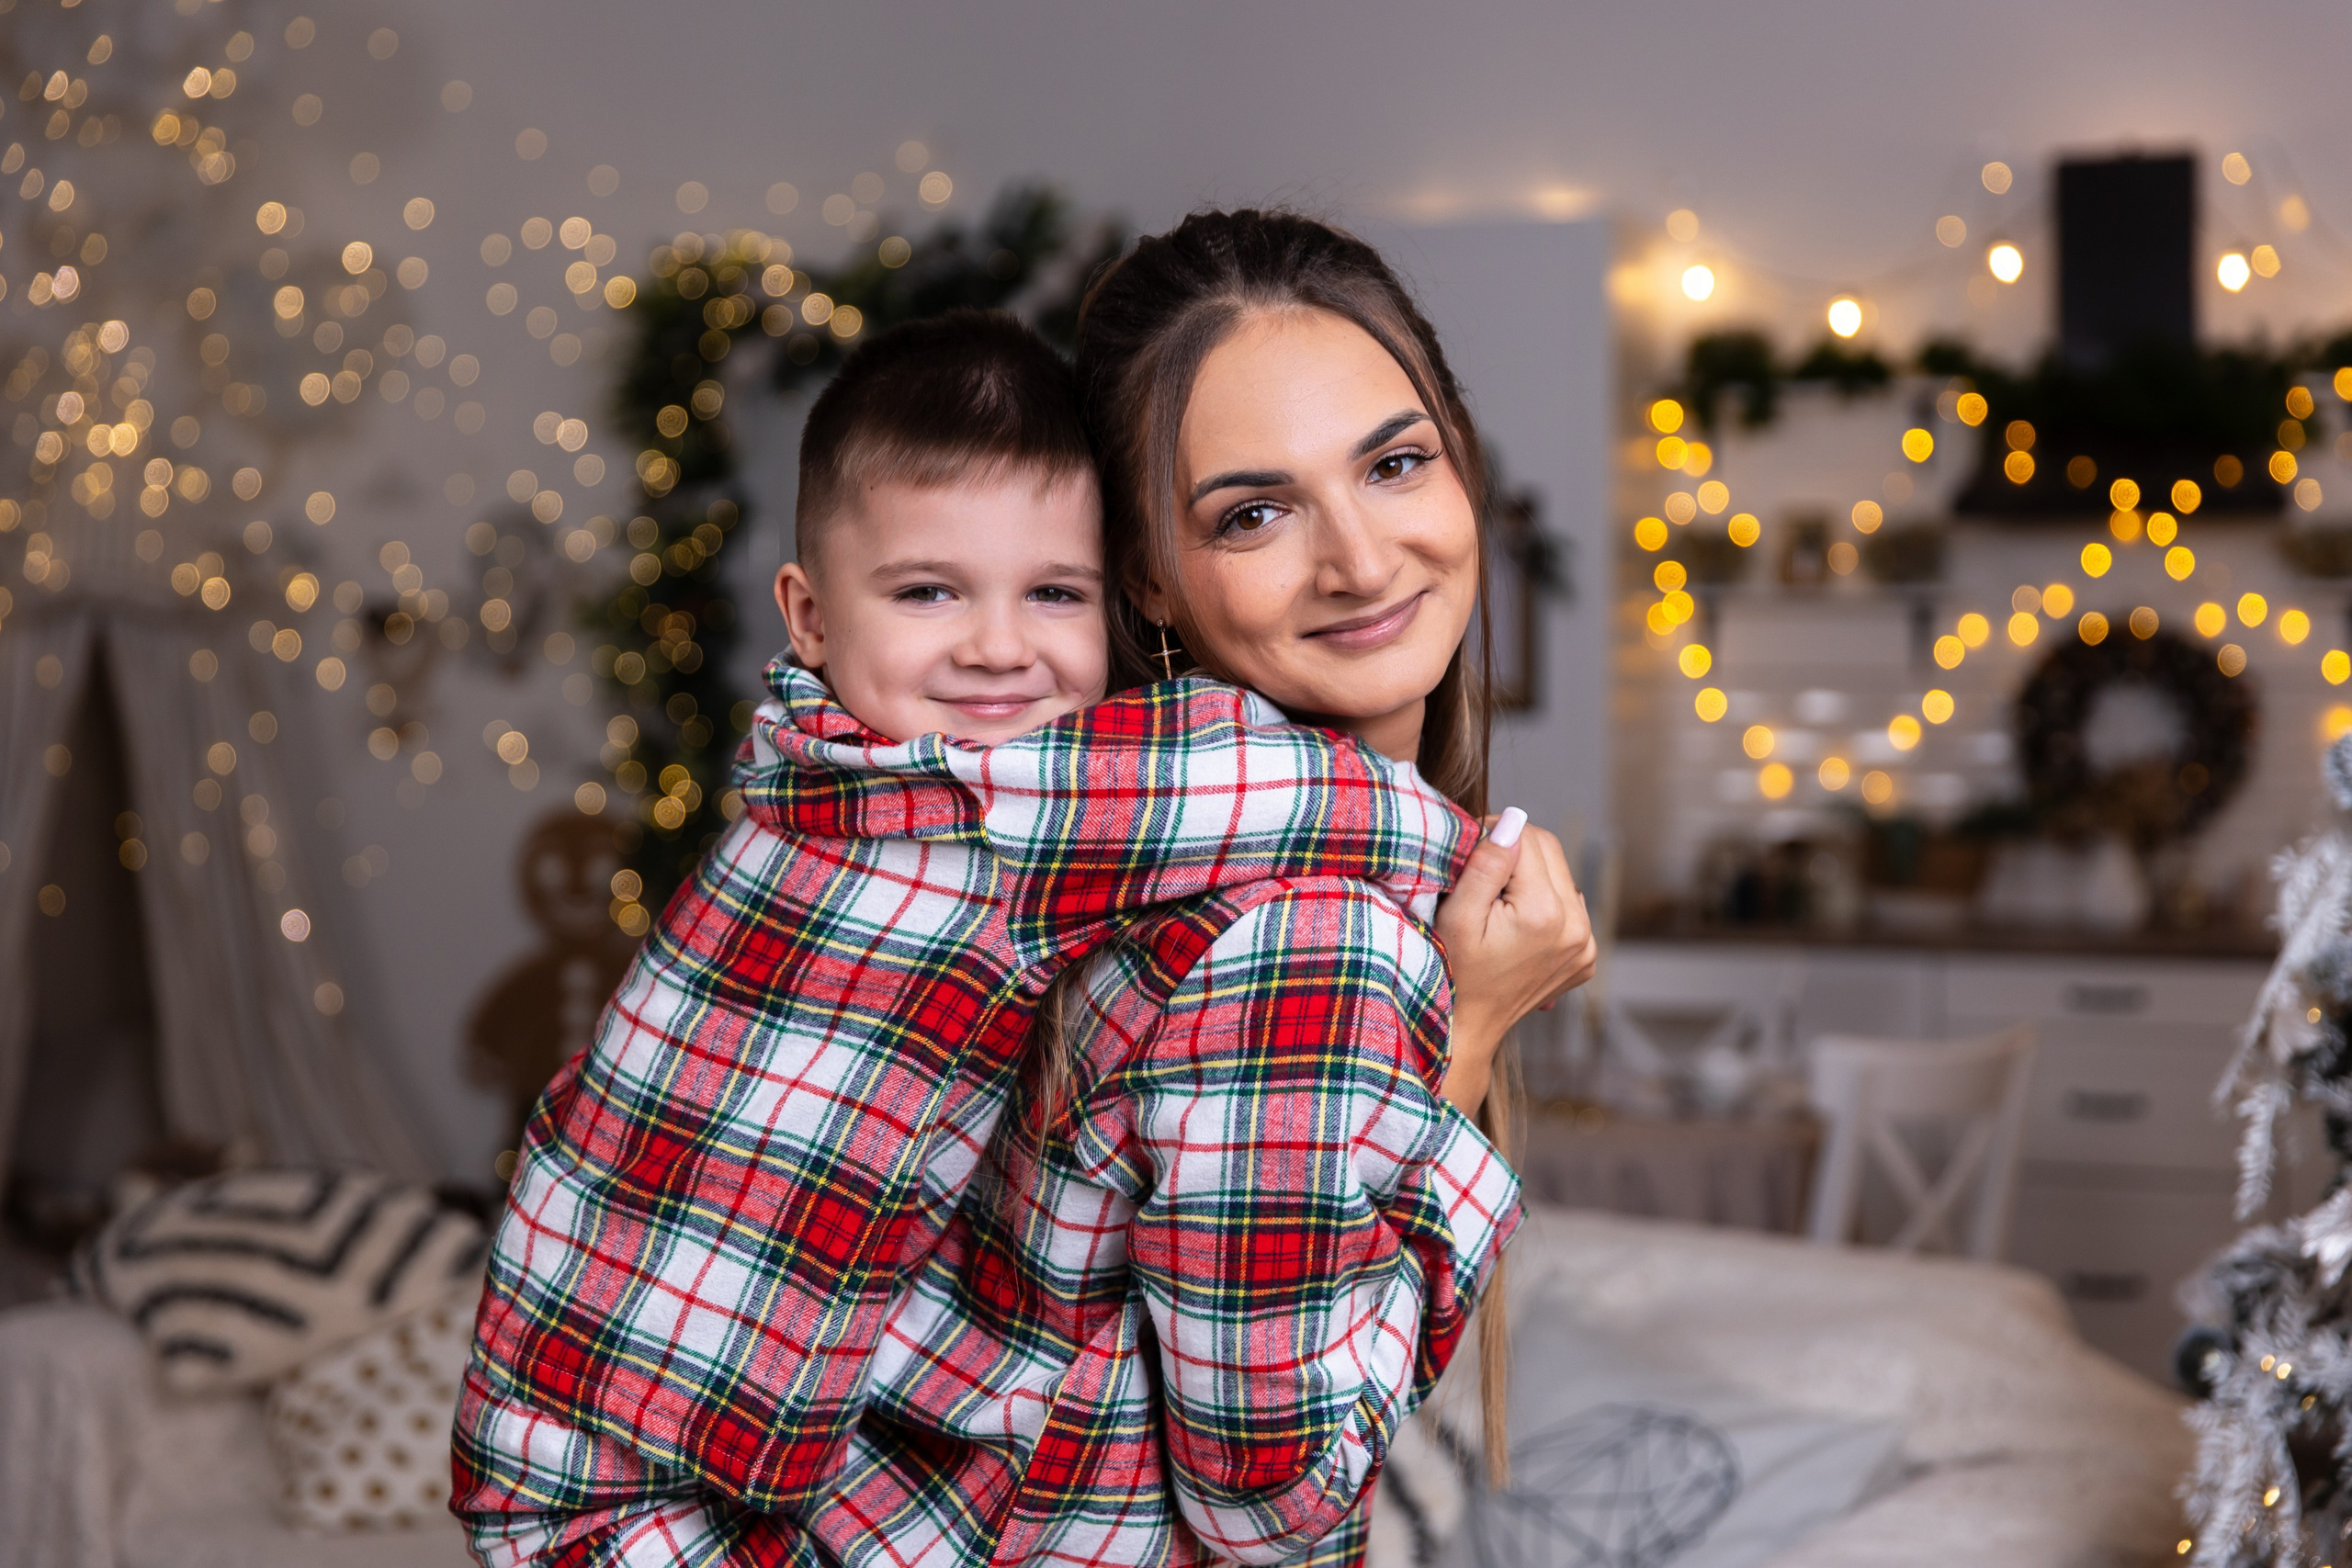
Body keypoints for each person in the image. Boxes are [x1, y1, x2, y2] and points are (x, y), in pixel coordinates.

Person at [451, 301, 1578, 1564]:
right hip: (623, 1479)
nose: (997, 649)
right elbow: (1275, 1518)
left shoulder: (851, 775)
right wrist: (1465, 955)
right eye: (930, 591)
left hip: (687, 1458)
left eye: (1052, 593)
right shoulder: (960, 814)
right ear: (810, 618)